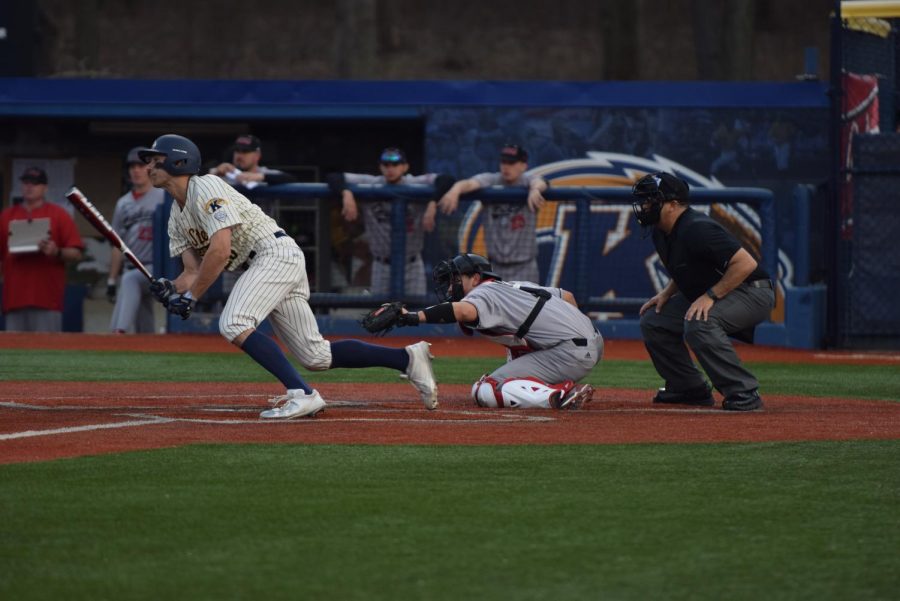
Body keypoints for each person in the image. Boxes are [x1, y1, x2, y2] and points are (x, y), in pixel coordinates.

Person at [137, 134, 437, 419]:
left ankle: (301, 393)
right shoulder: (175, 216)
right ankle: (407, 359)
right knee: (315, 355)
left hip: (272, 254)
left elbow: (220, 250)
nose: (147, 166)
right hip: (266, 264)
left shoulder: (205, 186)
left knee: (233, 323)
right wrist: (171, 287)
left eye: (154, 159)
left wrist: (191, 298)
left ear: (178, 162)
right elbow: (191, 271)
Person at [632, 172, 774, 411]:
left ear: (673, 205)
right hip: (726, 290)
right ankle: (688, 388)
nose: (645, 205)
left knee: (700, 322)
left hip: (752, 291)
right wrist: (667, 292)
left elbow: (745, 264)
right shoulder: (661, 231)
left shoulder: (697, 228)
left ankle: (743, 391)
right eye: (644, 200)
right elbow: (687, 267)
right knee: (655, 320)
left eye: (652, 200)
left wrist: (711, 296)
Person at [391, 253, 601, 410]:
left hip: (571, 352)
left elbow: (464, 312)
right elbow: (568, 297)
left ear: (475, 278)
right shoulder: (513, 286)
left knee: (486, 389)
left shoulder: (483, 291)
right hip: (593, 340)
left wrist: (412, 317)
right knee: (516, 351)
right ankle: (554, 387)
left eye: (456, 280)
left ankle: (557, 396)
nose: (449, 289)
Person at [326, 148, 454, 296]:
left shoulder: (415, 182)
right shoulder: (371, 183)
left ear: (405, 167)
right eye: (386, 165)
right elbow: (333, 177)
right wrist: (346, 193)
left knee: (414, 312)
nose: (390, 169)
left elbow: (447, 179)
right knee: (383, 312)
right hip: (382, 264)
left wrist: (432, 202)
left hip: (412, 263)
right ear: (380, 167)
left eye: (396, 164)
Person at [438, 144, 548, 283]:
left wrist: (535, 190)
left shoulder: (528, 181)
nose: (506, 167)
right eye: (504, 162)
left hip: (524, 266)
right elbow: (470, 183)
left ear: (523, 165)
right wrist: (455, 190)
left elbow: (541, 182)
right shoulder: (492, 180)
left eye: (512, 163)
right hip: (496, 266)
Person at [0, 167, 84, 331]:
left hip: (47, 299)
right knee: (13, 355)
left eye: (35, 183)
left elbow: (76, 253)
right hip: (14, 299)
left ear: (45, 188)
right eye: (26, 182)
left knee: (47, 353)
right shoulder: (6, 216)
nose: (30, 186)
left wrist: (56, 251)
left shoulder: (59, 215)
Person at [107, 147, 167, 333]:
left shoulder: (164, 196)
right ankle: (147, 346)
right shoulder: (123, 203)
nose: (136, 170)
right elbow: (118, 244)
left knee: (130, 280)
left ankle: (119, 332)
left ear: (149, 168)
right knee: (144, 319)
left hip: (156, 267)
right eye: (132, 166)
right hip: (131, 266)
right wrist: (111, 279)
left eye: (140, 165)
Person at [208, 134, 297, 189]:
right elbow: (196, 176)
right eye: (237, 151)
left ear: (257, 155)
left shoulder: (262, 173)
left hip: (261, 219)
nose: (240, 155)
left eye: (245, 151)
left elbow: (291, 179)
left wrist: (261, 177)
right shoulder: (227, 173)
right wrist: (214, 172)